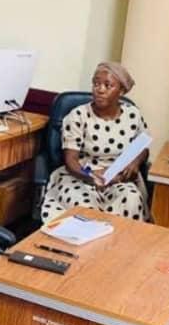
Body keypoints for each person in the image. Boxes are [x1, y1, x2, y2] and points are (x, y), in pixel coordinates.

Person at [40, 62, 149, 223]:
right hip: (81, 176)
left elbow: (143, 147)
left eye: (108, 85)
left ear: (121, 91)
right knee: (85, 208)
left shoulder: (133, 114)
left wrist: (135, 162)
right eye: (96, 84)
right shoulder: (78, 115)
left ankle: (119, 239)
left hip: (119, 178)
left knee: (131, 200)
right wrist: (91, 177)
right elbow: (71, 161)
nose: (100, 90)